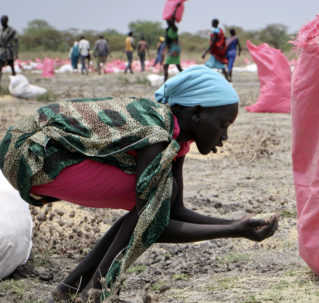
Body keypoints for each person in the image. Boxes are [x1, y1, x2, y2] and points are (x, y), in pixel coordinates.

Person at [0, 65, 279, 302]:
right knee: (149, 205)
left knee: (152, 201)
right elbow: (154, 223)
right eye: (222, 125)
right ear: (196, 114)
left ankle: (70, 290)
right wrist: (233, 230)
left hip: (42, 152)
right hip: (30, 154)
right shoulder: (156, 134)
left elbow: (175, 211)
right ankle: (94, 293)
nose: (224, 136)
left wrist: (237, 224)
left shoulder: (176, 139)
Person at [164, 5, 183, 82]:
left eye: (168, 20)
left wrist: (175, 8)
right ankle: (185, 77)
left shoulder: (174, 28)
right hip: (173, 48)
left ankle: (165, 82)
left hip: (174, 48)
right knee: (177, 65)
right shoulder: (168, 29)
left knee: (166, 65)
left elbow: (172, 19)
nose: (167, 21)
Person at [0, 15, 18, 84]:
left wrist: (16, 53)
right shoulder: (0, 30)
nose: (2, 22)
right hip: (1, 52)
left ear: (7, 21)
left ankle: (15, 83)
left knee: (12, 67)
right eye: (1, 21)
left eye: (3, 21)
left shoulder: (11, 30)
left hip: (8, 52)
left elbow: (16, 42)